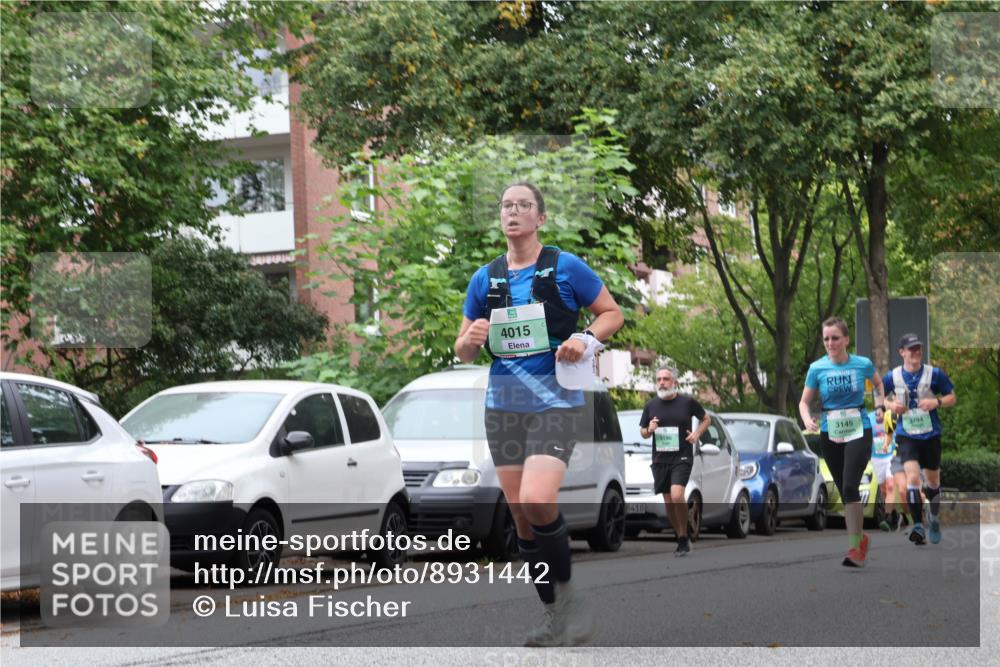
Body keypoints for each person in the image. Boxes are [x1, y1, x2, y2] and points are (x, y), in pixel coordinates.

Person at [454, 182, 624, 647]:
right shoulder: (484, 278)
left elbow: (612, 313)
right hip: (503, 408)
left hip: (556, 403)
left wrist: (585, 339)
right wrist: (468, 341)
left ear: (540, 217)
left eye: (523, 205)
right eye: (506, 205)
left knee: (536, 497)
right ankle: (554, 615)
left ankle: (569, 601)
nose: (513, 211)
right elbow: (463, 347)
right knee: (522, 518)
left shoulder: (565, 266)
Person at [799, 316, 885, 568]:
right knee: (846, 492)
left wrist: (880, 405)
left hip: (859, 429)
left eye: (835, 338)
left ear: (846, 339)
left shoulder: (862, 364)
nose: (830, 343)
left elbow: (879, 384)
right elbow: (804, 402)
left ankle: (854, 548)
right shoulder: (817, 369)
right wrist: (807, 419)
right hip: (831, 432)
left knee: (849, 487)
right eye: (826, 339)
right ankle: (861, 538)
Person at [883, 333, 956, 546]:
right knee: (913, 479)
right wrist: (891, 405)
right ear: (902, 352)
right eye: (911, 349)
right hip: (907, 435)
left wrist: (937, 402)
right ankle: (917, 525)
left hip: (931, 434)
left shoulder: (935, 374)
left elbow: (952, 397)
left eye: (918, 349)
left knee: (932, 482)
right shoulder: (892, 376)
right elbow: (879, 398)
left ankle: (933, 517)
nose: (916, 352)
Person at [638, 365, 710, 557]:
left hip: (682, 456)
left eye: (666, 379)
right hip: (660, 458)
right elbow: (643, 432)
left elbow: (706, 419)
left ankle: (684, 534)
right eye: (659, 379)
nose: (662, 383)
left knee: (677, 495)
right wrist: (649, 429)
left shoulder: (687, 402)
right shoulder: (651, 405)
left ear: (675, 382)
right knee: (669, 501)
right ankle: (681, 537)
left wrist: (696, 434)